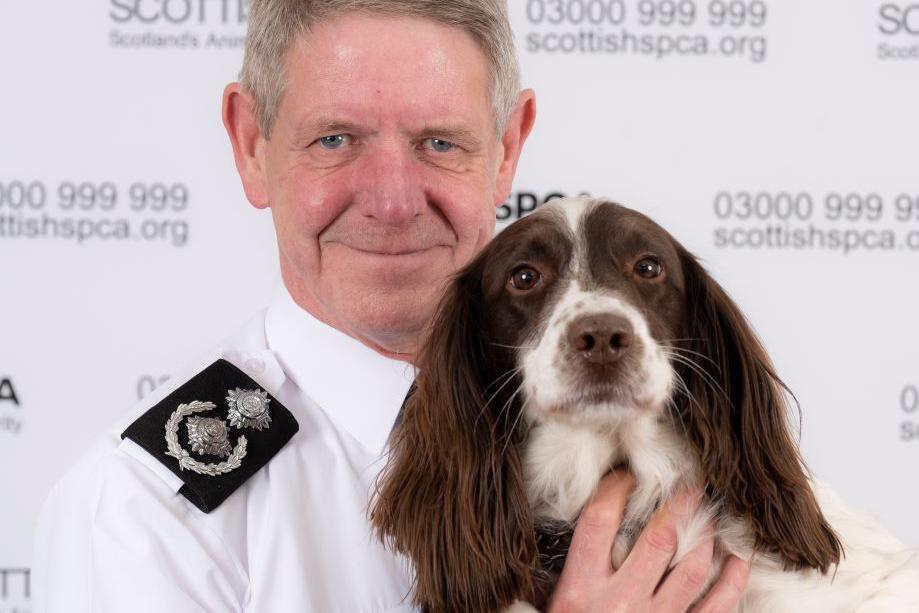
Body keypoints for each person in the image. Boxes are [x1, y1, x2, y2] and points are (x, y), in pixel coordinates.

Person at [32, 1, 750, 611]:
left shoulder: (663, 425)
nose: (392, 201)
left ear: (505, 150)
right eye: (335, 140)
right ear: (252, 144)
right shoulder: (142, 514)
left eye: (439, 143)